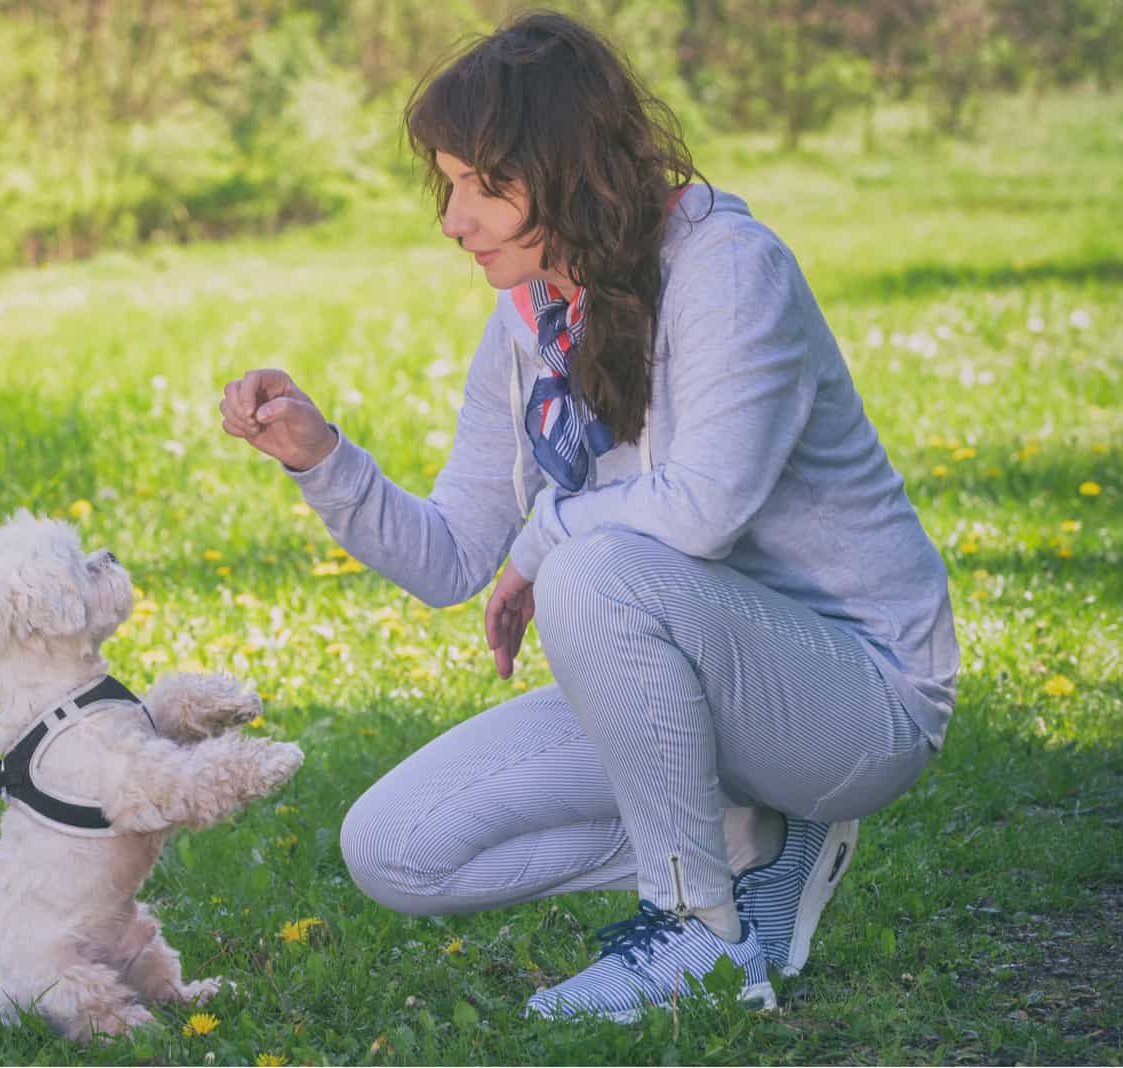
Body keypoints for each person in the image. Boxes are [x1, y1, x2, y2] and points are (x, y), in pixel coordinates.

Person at [220, 11, 956, 1024]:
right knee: (395, 847)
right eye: (448, 185)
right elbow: (448, 560)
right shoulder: (529, 319)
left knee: (589, 567)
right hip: (685, 677)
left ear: (566, 172)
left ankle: (697, 931)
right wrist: (323, 461)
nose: (451, 219)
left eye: (480, 185)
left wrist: (541, 542)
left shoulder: (727, 269)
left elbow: (697, 512)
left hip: (856, 700)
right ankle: (751, 845)